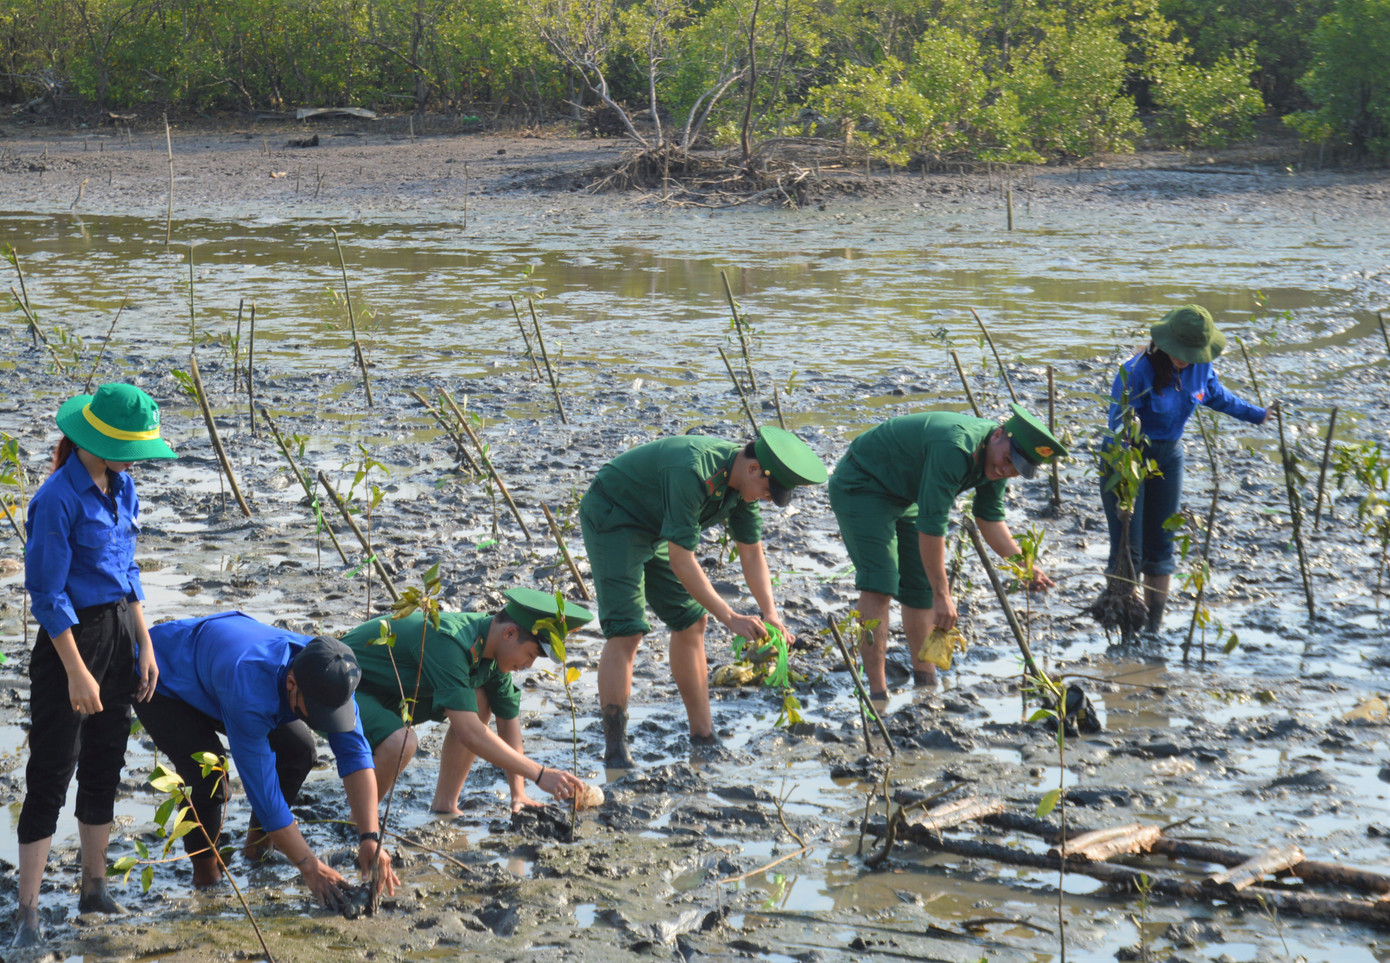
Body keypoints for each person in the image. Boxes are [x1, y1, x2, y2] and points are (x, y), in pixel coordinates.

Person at [14, 383, 175, 948]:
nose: (136, 460)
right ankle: (27, 912)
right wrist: (78, 671)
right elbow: (47, 594)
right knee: (53, 772)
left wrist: (145, 643)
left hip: (119, 637)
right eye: (129, 448)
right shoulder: (57, 498)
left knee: (106, 760)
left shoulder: (121, 486)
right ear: (96, 441)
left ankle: (93, 887)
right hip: (70, 643)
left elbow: (127, 574)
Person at [580, 425, 828, 768]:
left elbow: (752, 553)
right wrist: (731, 616)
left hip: (656, 524)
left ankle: (703, 735)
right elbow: (682, 559)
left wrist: (770, 613)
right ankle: (616, 751)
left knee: (692, 619)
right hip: (615, 515)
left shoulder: (742, 487)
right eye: (768, 493)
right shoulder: (694, 471)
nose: (767, 499)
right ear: (754, 468)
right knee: (627, 630)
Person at [137, 612, 399, 908]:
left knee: (300, 751)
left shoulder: (333, 676)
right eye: (317, 712)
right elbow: (263, 794)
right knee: (211, 778)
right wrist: (309, 866)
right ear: (291, 683)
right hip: (162, 676)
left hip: (216, 670)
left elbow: (355, 753)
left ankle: (256, 849)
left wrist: (370, 836)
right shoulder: (249, 688)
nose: (324, 721)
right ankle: (206, 879)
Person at [829, 403, 1065, 699]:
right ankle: (877, 696)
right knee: (880, 584)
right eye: (1006, 460)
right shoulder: (955, 448)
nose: (1005, 470)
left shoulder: (997, 461)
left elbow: (989, 517)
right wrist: (944, 596)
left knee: (920, 587)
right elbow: (932, 525)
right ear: (998, 435)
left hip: (906, 492)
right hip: (863, 483)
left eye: (1015, 470)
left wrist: (1025, 565)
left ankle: (926, 685)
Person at [338, 588, 595, 813]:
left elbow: (508, 721)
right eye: (529, 655)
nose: (527, 666)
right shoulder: (451, 642)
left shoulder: (493, 653)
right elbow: (469, 732)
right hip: (341, 688)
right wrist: (539, 774)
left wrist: (519, 793)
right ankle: (361, 825)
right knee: (401, 743)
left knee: (480, 698)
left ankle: (445, 805)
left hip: (391, 693)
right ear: (509, 634)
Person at [1102, 304, 1275, 633]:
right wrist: (1125, 480)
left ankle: (1151, 630)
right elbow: (1117, 427)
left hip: (1168, 458)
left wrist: (1258, 414)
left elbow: (1217, 396)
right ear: (1164, 343)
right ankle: (1125, 631)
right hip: (1126, 461)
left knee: (1161, 548)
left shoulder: (1201, 366)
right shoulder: (1135, 371)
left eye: (1192, 354)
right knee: (1130, 549)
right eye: (1180, 353)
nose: (1185, 360)